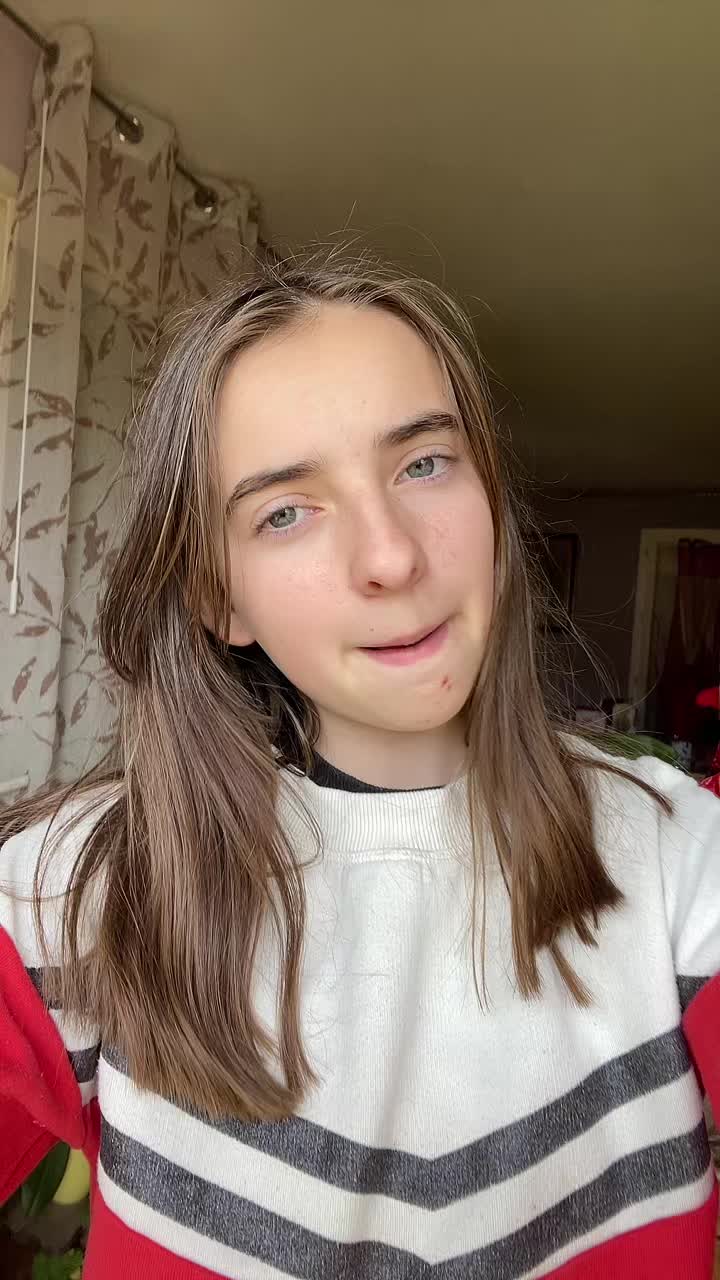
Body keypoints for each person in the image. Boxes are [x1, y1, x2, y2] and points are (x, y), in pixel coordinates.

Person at [1, 247, 719, 1280]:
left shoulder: (675, 855)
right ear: (218, 597)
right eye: (286, 511)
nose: (391, 556)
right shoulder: (80, 889)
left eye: (424, 463)